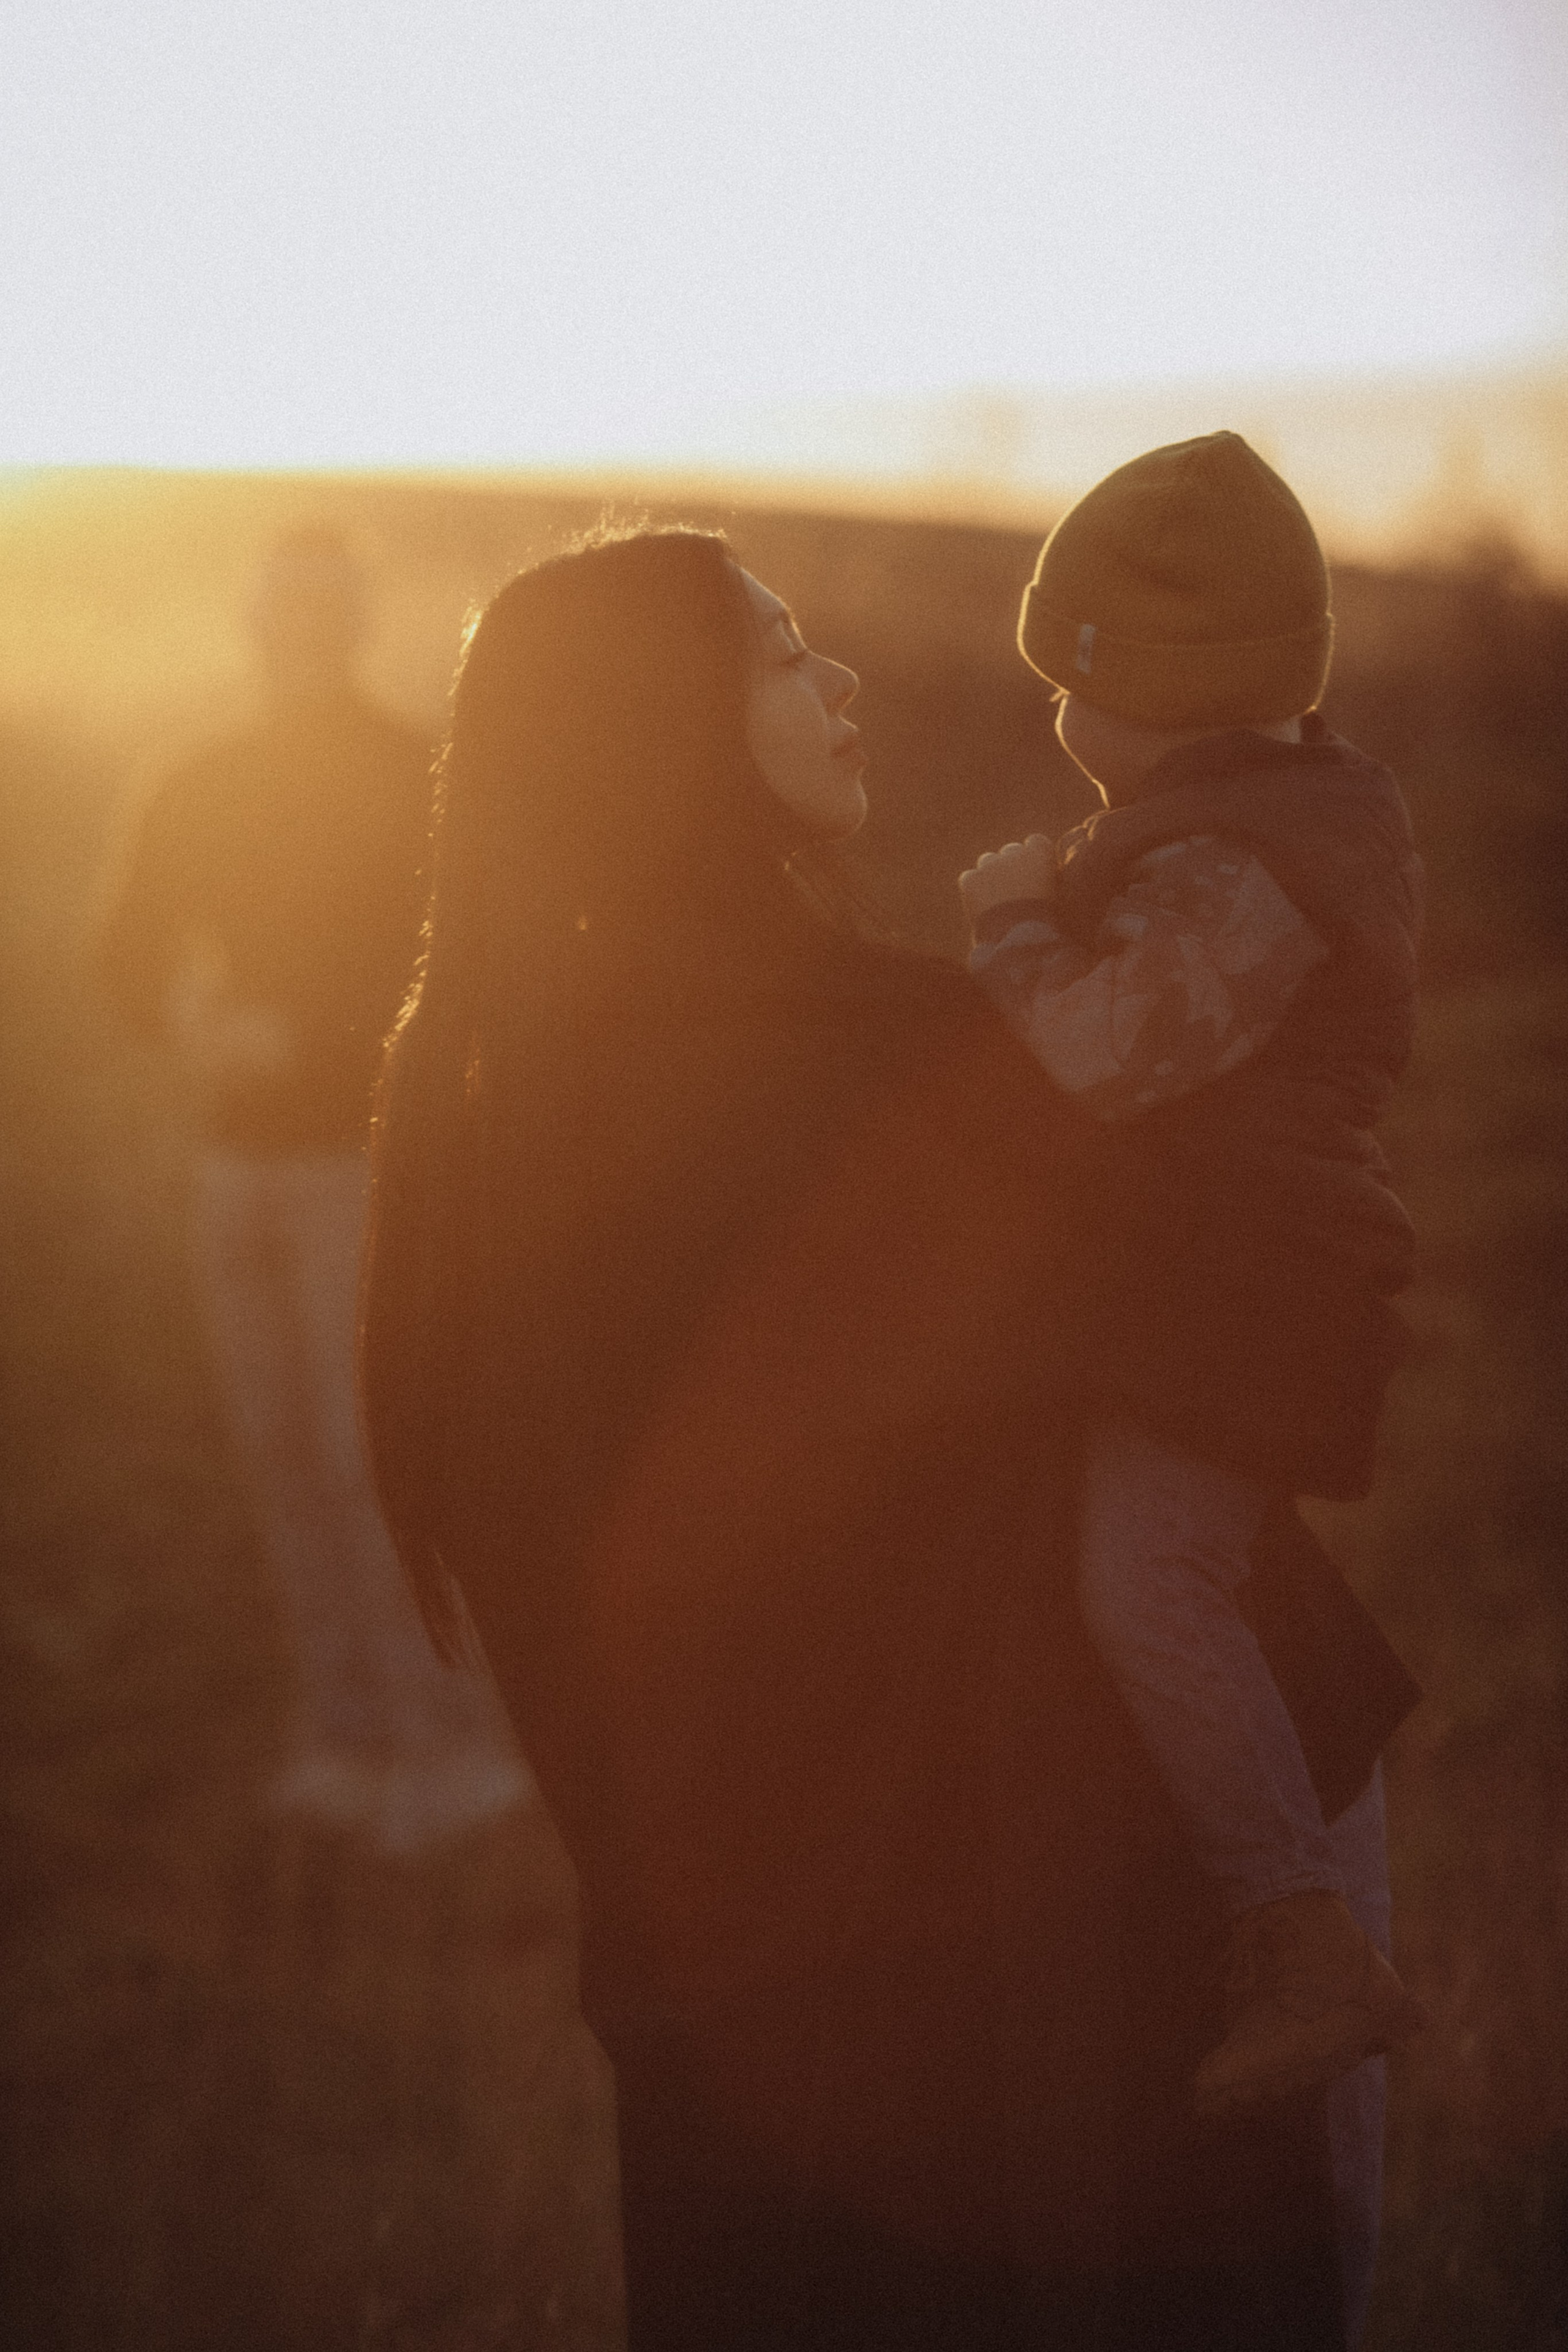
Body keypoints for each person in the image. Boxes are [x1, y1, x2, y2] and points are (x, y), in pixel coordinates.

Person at [361, 522, 1417, 2348]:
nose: (840, 679)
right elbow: (1182, 1318)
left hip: (744, 1974)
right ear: (662, 734)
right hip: (1086, 1909)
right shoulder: (888, 1058)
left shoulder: (481, 1112)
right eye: (779, 657)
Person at [960, 433, 1426, 2329]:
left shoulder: (1241, 866)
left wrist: (1004, 924)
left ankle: (1296, 1936)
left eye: (1075, 675)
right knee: (1151, 1568)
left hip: (1252, 1301)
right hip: (1241, 1281)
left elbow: (1089, 1057)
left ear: (1127, 686)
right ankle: (1289, 1914)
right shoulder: (1258, 823)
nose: (1062, 714)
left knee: (1144, 1575)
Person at [96, 526, 528, 1853]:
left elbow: (477, 969)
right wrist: (187, 1017)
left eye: (318, 614)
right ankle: (348, 1741)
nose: (297, 638)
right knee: (283, 1453)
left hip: (371, 1165)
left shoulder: (419, 776)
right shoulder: (199, 779)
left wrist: (314, 1035)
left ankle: (458, 1753)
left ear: (350, 621)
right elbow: (122, 958)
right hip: (238, 1170)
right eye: (278, 614)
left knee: (370, 1462)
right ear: (254, 623)